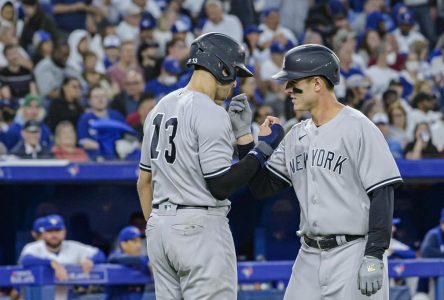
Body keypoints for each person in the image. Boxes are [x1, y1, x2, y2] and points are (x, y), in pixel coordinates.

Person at [233, 44, 403, 299]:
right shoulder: (296, 135)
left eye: (293, 82)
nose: (288, 89)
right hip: (309, 255)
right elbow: (261, 187)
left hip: (353, 251)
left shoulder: (359, 127)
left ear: (317, 83)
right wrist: (246, 140)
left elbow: (382, 192)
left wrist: (374, 255)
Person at [137, 32, 284, 300]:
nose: (235, 83)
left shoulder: (160, 106)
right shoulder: (210, 110)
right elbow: (220, 185)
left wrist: (159, 228)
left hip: (159, 228)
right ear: (222, 67)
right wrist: (262, 149)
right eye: (235, 73)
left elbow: (143, 183)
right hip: (199, 227)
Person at [19, 214, 105, 298]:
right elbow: (25, 260)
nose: (54, 235)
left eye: (57, 230)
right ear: (43, 233)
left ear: (64, 232)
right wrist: (51, 263)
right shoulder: (34, 247)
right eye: (50, 231)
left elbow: (100, 254)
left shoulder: (73, 246)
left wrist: (90, 260)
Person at [106, 226, 150, 300]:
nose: (139, 245)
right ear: (123, 244)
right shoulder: (115, 257)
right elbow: (112, 258)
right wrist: (146, 261)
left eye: (139, 241)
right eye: (134, 241)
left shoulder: (142, 261)